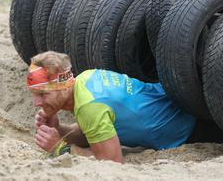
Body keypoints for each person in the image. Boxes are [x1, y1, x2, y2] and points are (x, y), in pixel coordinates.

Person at [28, 51, 196, 163]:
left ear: (64, 87)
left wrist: (60, 148)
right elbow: (93, 132)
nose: (36, 103)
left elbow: (112, 161)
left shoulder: (89, 107)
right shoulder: (86, 78)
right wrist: (59, 130)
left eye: (43, 94)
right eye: (34, 94)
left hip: (189, 129)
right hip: (181, 101)